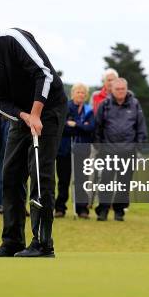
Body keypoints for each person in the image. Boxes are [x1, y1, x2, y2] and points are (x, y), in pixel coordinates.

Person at [0, 21, 68, 258]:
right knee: (10, 175)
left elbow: (44, 74)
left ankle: (43, 243)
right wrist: (25, 116)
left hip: (48, 109)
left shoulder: (13, 38)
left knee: (40, 173)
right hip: (22, 116)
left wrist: (36, 114)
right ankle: (13, 241)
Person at [95, 78, 146, 221]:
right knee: (106, 181)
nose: (120, 92)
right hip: (108, 151)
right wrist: (99, 146)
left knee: (124, 183)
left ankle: (119, 211)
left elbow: (141, 127)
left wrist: (139, 146)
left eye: (123, 89)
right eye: (117, 89)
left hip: (129, 151)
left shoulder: (135, 104)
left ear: (126, 89)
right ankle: (103, 210)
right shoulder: (104, 105)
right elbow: (98, 127)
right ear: (111, 90)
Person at [56, 83, 95, 219]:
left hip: (82, 149)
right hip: (65, 149)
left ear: (86, 95)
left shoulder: (89, 110)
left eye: (83, 93)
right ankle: (60, 208)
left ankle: (82, 209)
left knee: (81, 179)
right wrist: (81, 126)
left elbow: (91, 128)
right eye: (78, 92)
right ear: (72, 94)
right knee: (64, 180)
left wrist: (75, 124)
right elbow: (62, 127)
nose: (80, 95)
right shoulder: (65, 107)